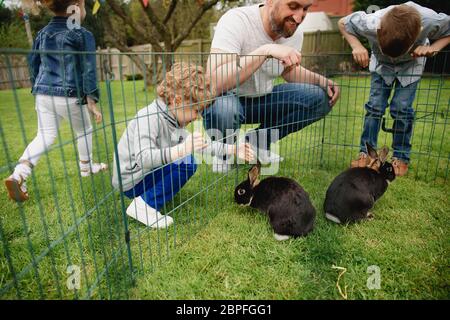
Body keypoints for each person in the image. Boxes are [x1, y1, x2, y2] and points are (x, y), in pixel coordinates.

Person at [112, 63, 254, 228]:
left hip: (143, 174)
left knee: (187, 159)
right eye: (195, 110)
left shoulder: (171, 119)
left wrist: (232, 149)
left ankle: (149, 198)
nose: (197, 117)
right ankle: (144, 206)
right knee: (186, 161)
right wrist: (181, 149)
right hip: (131, 181)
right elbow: (143, 158)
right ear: (177, 101)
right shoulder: (150, 118)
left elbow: (202, 146)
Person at [204, 0, 340, 172]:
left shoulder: (293, 31)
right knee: (224, 108)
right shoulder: (236, 20)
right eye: (293, 6)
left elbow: (288, 71)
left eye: (305, 9)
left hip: (262, 100)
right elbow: (213, 82)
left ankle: (254, 143)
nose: (299, 18)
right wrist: (265, 51)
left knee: (320, 97)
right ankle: (225, 154)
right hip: (226, 99)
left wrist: (322, 81)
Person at [4, 0, 106, 202]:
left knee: (44, 135)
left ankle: (19, 174)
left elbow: (33, 64)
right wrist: (91, 98)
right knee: (84, 130)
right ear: (76, 6)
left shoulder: (42, 33)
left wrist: (37, 87)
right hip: (69, 94)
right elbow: (88, 69)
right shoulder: (82, 34)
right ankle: (86, 168)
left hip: (43, 93)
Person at [339, 2, 450, 176]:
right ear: (379, 30)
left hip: (411, 65)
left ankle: (401, 157)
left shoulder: (429, 20)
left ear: (419, 31)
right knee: (374, 107)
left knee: (402, 109)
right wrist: (357, 46)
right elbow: (343, 23)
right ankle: (366, 154)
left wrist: (433, 48)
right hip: (381, 66)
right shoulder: (370, 22)